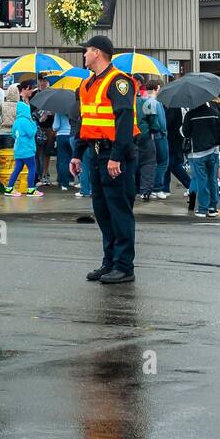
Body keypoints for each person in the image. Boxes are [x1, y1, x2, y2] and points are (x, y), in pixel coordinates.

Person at [69, 36, 138, 285]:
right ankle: (109, 262)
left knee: (119, 211)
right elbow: (84, 121)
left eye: (86, 50)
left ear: (97, 52)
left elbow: (124, 120)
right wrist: (77, 153)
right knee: (103, 211)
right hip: (95, 153)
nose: (84, 55)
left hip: (114, 154)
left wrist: (117, 156)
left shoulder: (118, 81)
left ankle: (123, 266)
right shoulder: (88, 83)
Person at [182, 97, 220, 218]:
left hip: (198, 153)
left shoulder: (190, 115)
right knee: (212, 179)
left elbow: (186, 133)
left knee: (202, 180)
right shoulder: (214, 113)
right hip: (213, 151)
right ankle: (213, 208)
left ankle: (202, 208)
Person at [3, 99, 43, 197]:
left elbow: (13, 135)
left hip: (18, 150)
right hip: (27, 149)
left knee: (17, 169)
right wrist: (34, 124)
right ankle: (31, 189)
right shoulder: (26, 121)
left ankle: (9, 188)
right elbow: (31, 133)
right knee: (32, 168)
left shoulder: (16, 121)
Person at [144, 80, 169, 199]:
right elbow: (162, 122)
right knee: (163, 162)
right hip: (159, 135)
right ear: (156, 88)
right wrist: (164, 132)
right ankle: (158, 188)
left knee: (151, 162)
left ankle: (151, 188)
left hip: (149, 135)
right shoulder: (157, 103)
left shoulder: (144, 101)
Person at [134, 76, 158, 201]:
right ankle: (145, 191)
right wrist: (153, 130)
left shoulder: (123, 102)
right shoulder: (145, 103)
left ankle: (132, 189)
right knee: (148, 163)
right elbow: (154, 121)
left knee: (131, 163)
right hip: (144, 135)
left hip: (128, 136)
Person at [34, 75, 56, 185]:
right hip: (38, 127)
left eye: (44, 81)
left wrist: (51, 113)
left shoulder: (53, 95)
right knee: (37, 153)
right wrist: (39, 116)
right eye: (41, 80)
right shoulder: (35, 94)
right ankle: (38, 175)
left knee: (47, 152)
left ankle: (45, 175)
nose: (42, 83)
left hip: (50, 127)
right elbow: (31, 110)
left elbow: (57, 109)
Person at [53, 108, 73, 189]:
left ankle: (64, 183)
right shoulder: (73, 110)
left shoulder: (59, 111)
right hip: (72, 135)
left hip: (61, 136)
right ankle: (72, 179)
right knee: (72, 159)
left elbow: (56, 126)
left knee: (63, 160)